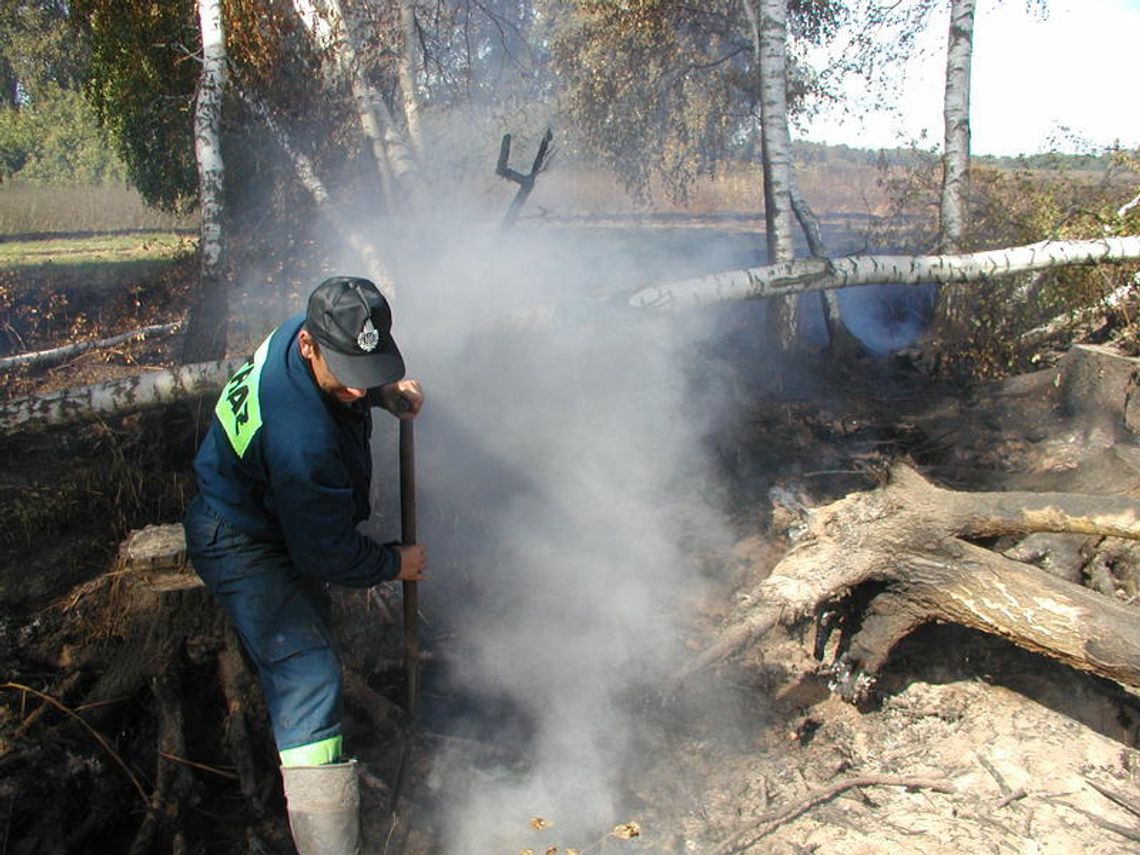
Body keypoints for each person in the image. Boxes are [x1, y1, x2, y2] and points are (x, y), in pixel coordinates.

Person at [183, 276, 425, 855]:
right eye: (348, 376)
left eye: (364, 369)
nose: (354, 390)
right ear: (313, 347)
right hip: (241, 540)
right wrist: (396, 562)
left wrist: (383, 390)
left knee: (309, 657)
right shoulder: (301, 439)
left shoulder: (306, 325)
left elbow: (352, 378)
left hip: (265, 509)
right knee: (310, 677)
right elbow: (326, 554)